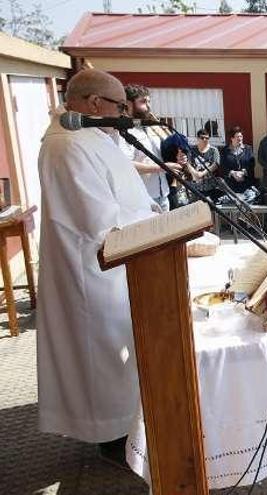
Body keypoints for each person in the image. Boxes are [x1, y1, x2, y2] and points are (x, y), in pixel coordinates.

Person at [36, 69, 156, 457]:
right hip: (94, 272)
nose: (125, 113)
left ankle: (128, 428)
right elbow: (98, 220)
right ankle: (113, 440)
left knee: (121, 360)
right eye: (120, 106)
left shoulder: (92, 133)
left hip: (121, 264)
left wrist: (153, 212)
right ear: (93, 104)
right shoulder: (67, 145)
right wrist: (157, 224)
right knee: (103, 362)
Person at [122, 84, 177, 211]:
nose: (148, 106)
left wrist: (177, 156)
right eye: (143, 102)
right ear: (128, 104)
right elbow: (126, 165)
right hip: (143, 199)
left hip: (164, 195)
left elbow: (161, 156)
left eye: (149, 101)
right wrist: (161, 167)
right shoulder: (123, 131)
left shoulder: (151, 128)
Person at [218, 125, 259, 203]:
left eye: (241, 136)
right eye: (237, 137)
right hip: (231, 186)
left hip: (246, 185)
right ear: (232, 138)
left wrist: (243, 172)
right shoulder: (225, 151)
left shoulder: (248, 149)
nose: (240, 138)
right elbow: (222, 166)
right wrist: (233, 173)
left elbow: (252, 164)